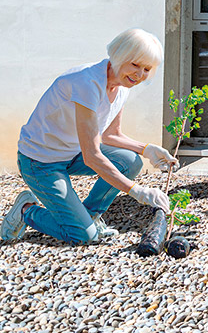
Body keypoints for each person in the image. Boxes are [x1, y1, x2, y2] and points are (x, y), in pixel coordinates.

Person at [0, 29, 177, 245]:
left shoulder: (121, 87)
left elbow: (111, 135)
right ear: (120, 55)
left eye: (147, 69)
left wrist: (147, 149)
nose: (140, 74)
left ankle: (88, 216)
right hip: (41, 162)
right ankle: (26, 211)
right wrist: (136, 191)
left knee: (130, 161)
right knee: (82, 237)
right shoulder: (87, 83)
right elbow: (92, 156)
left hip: (72, 153)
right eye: (135, 64)